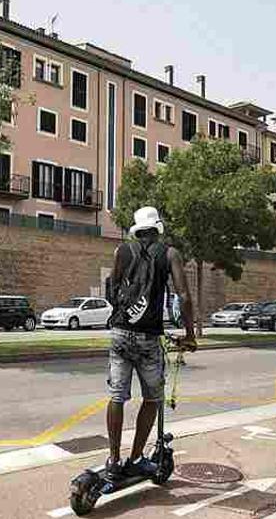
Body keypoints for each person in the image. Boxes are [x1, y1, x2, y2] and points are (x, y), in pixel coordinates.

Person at [104, 206, 196, 481]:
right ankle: (135, 457)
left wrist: (125, 313)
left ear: (136, 228)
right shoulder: (170, 254)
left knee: (117, 397)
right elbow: (184, 296)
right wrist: (190, 334)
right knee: (153, 398)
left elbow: (111, 289)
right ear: (158, 228)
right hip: (148, 338)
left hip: (120, 334)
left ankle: (113, 459)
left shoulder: (121, 251)